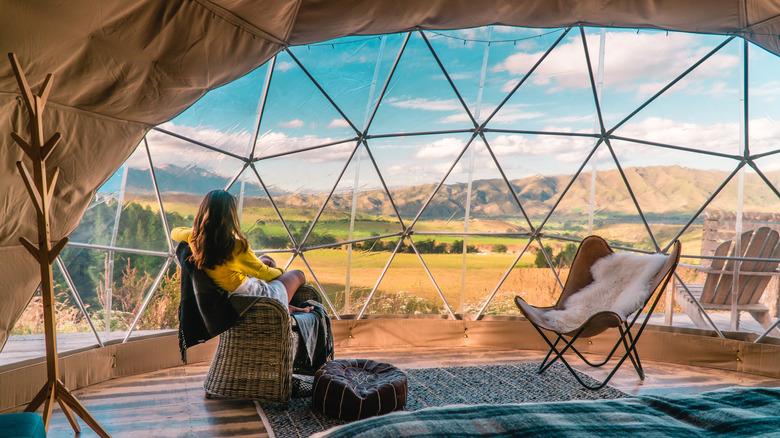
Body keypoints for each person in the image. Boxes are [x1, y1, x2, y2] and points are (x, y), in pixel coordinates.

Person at [171, 189, 313, 314]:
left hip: (231, 292)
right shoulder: (235, 245)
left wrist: (196, 231)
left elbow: (175, 232)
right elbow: (264, 273)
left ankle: (286, 306)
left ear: (203, 212)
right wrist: (283, 273)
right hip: (252, 297)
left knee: (266, 259)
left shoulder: (195, 238)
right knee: (298, 274)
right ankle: (282, 308)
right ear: (230, 216)